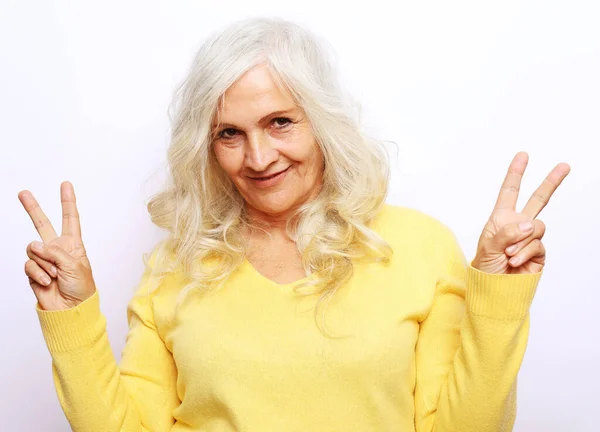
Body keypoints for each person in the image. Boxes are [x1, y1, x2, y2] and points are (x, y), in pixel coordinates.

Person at [19, 17, 570, 432]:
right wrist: (71, 320)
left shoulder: (419, 247)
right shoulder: (176, 266)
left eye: (280, 122)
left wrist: (499, 294)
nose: (258, 157)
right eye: (229, 134)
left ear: (322, 123)